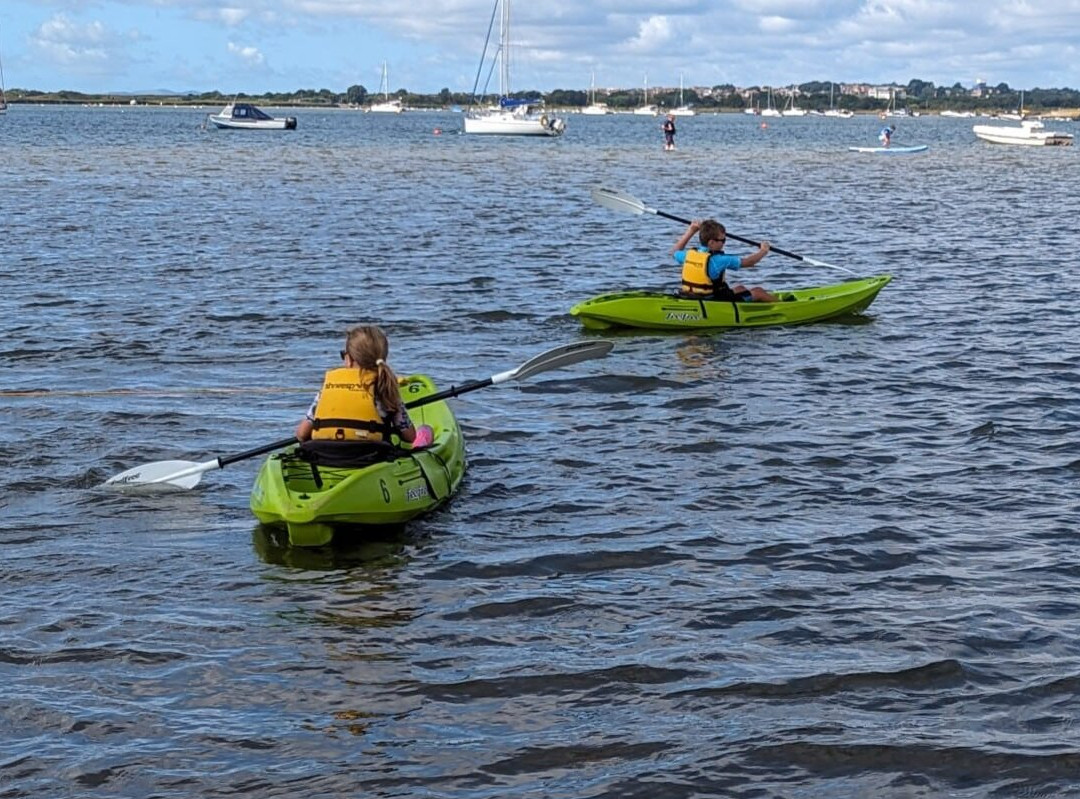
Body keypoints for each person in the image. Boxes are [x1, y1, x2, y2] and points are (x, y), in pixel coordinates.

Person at [296, 324, 418, 446]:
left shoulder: (328, 388)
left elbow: (301, 434)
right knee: (426, 431)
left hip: (325, 455)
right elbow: (410, 436)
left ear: (349, 359)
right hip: (372, 455)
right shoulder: (384, 387)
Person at [670, 219, 778, 302]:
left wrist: (691, 231)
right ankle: (784, 306)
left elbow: (674, 251)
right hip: (714, 300)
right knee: (759, 292)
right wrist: (763, 251)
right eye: (722, 240)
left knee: (741, 288)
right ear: (711, 242)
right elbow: (750, 262)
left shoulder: (688, 255)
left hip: (694, 295)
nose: (724, 243)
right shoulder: (720, 260)